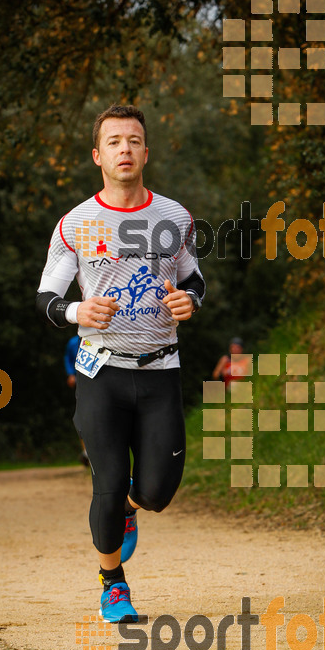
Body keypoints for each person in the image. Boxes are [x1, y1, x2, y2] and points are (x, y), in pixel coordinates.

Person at [36, 104, 205, 623]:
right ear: (97, 155)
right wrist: (75, 309)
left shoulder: (175, 218)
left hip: (161, 371)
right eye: (113, 142)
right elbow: (46, 296)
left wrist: (191, 301)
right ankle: (113, 584)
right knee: (107, 486)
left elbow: (194, 278)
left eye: (133, 140)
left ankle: (132, 510)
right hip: (101, 372)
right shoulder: (76, 224)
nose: (124, 149)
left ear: (146, 153)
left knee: (155, 492)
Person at [64, 334, 90, 467]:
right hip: (80, 383)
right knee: (81, 417)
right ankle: (86, 451)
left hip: (96, 383)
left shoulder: (95, 339)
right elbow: (67, 358)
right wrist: (70, 374)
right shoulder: (73, 342)